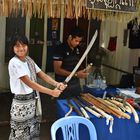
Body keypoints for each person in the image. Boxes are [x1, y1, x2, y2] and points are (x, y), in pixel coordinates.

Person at [8, 33, 66, 140]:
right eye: (17, 46)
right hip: (21, 105)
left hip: (32, 103)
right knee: (20, 135)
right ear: (12, 48)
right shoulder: (14, 62)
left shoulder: (29, 60)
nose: (21, 48)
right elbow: (30, 83)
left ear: (27, 46)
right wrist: (51, 92)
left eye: (23, 45)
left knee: (32, 133)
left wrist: (56, 84)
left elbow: (41, 74)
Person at [53, 27, 89, 99]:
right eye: (76, 41)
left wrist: (82, 71)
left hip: (75, 85)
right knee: (64, 106)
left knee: (78, 104)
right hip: (63, 85)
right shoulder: (60, 49)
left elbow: (77, 64)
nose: (77, 43)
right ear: (70, 37)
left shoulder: (77, 49)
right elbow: (57, 70)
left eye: (79, 41)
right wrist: (75, 74)